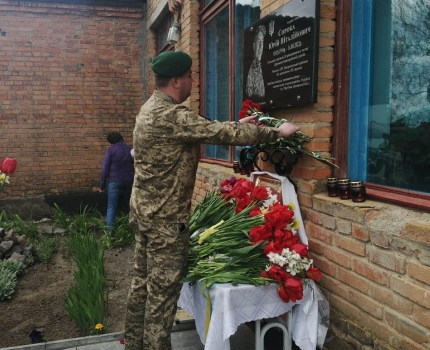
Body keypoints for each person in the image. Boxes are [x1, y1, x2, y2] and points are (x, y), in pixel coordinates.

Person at [124, 51, 300, 350]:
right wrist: (275, 133)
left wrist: (236, 123)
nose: (193, 80)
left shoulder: (150, 109)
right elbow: (217, 132)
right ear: (176, 80)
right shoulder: (172, 115)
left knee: (141, 284)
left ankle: (133, 345)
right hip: (166, 223)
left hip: (144, 215)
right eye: (191, 75)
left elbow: (201, 128)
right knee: (162, 296)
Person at [99, 131, 134, 233]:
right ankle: (133, 229)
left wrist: (102, 186)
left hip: (114, 182)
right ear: (121, 138)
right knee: (131, 205)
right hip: (129, 180)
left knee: (111, 206)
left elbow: (105, 169)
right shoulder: (130, 149)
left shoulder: (110, 151)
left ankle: (110, 234)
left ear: (110, 141)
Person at [246, 25, 266, 98]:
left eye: (262, 42)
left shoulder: (266, 68)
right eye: (258, 42)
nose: (261, 46)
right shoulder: (250, 70)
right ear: (254, 46)